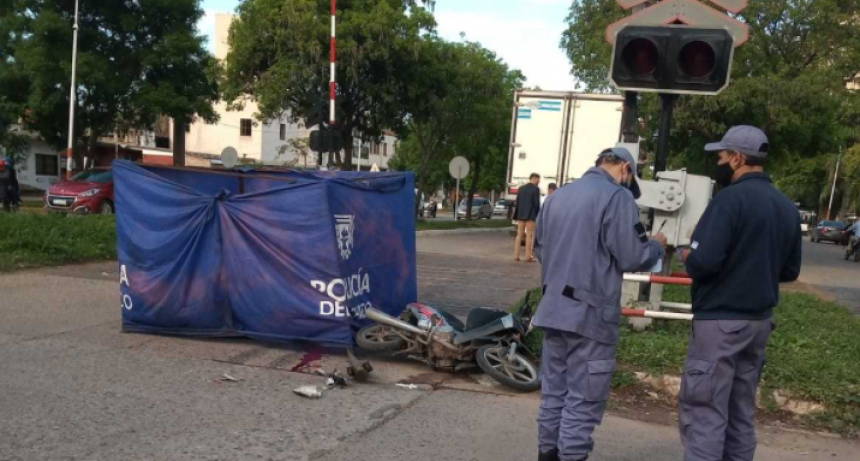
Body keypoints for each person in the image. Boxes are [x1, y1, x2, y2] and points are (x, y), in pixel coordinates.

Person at [532, 147, 667, 461]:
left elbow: (540, 248)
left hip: (553, 311)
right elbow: (633, 255)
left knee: (554, 395)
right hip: (590, 318)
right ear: (625, 169)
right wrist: (656, 247)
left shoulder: (557, 196)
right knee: (582, 401)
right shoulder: (617, 198)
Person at [678, 126, 801, 461]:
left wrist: (687, 254)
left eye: (720, 156)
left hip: (719, 324)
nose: (718, 162)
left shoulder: (728, 201)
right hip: (758, 324)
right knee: (741, 412)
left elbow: (703, 262)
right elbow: (789, 271)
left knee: (705, 412)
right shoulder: (786, 206)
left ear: (737, 158)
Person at [514, 173, 541, 262]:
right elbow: (536, 204)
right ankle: (527, 256)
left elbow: (517, 202)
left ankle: (516, 255)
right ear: (535, 179)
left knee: (519, 235)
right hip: (531, 215)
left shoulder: (521, 189)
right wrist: (538, 215)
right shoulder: (536, 189)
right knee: (529, 235)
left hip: (521, 215)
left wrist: (516, 214)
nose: (539, 182)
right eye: (538, 179)